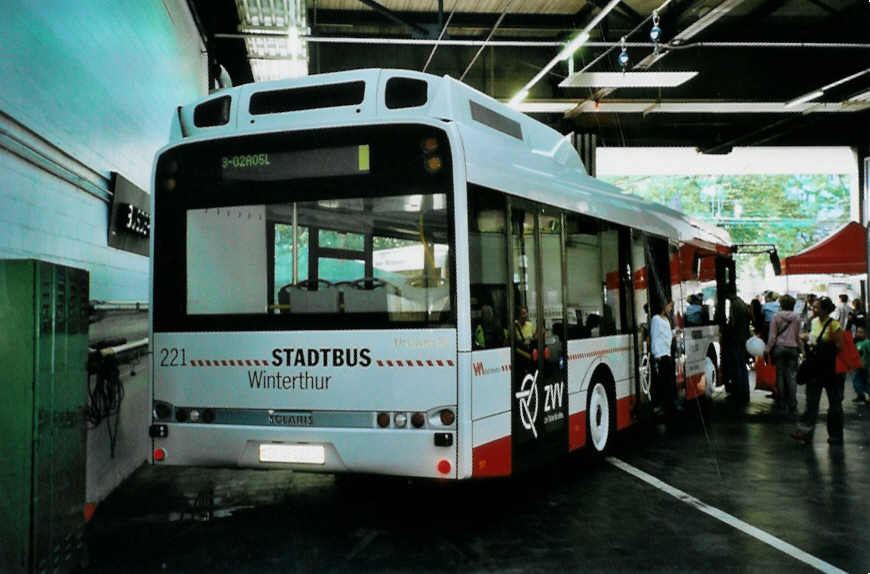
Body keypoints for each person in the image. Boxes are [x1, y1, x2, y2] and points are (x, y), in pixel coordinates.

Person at [791, 296, 846, 445]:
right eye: (813, 307)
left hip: (831, 370)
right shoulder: (813, 322)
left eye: (816, 307)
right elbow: (813, 337)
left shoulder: (834, 325)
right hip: (815, 369)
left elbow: (840, 347)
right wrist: (807, 338)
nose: (813, 309)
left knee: (834, 404)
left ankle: (835, 435)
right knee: (811, 403)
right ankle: (805, 433)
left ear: (825, 310)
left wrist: (819, 343)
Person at [765, 294, 801, 416]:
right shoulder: (796, 317)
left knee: (779, 375)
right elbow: (798, 336)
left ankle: (781, 402)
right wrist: (802, 350)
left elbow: (772, 336)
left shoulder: (776, 316)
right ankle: (793, 403)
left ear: (781, 304)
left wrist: (767, 349)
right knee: (791, 376)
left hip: (779, 349)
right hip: (792, 348)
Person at [650, 299, 679, 415]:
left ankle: (670, 404)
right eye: (669, 306)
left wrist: (674, 333)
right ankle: (665, 405)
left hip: (667, 353)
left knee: (670, 380)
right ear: (663, 306)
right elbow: (655, 337)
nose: (670, 309)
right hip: (661, 355)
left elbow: (667, 335)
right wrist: (656, 354)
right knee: (665, 381)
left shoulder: (666, 320)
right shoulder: (655, 319)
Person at [723, 290, 752, 404]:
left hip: (737, 340)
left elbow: (733, 323)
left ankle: (740, 394)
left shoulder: (734, 305)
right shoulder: (743, 303)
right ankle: (744, 393)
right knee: (742, 367)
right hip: (743, 338)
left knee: (738, 367)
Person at [851, 325, 870, 405]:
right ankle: (861, 395)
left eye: (861, 332)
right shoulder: (858, 343)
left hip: (865, 366)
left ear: (865, 333)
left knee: (864, 382)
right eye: (857, 332)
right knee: (857, 381)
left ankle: (865, 395)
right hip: (858, 366)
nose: (858, 334)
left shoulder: (867, 342)